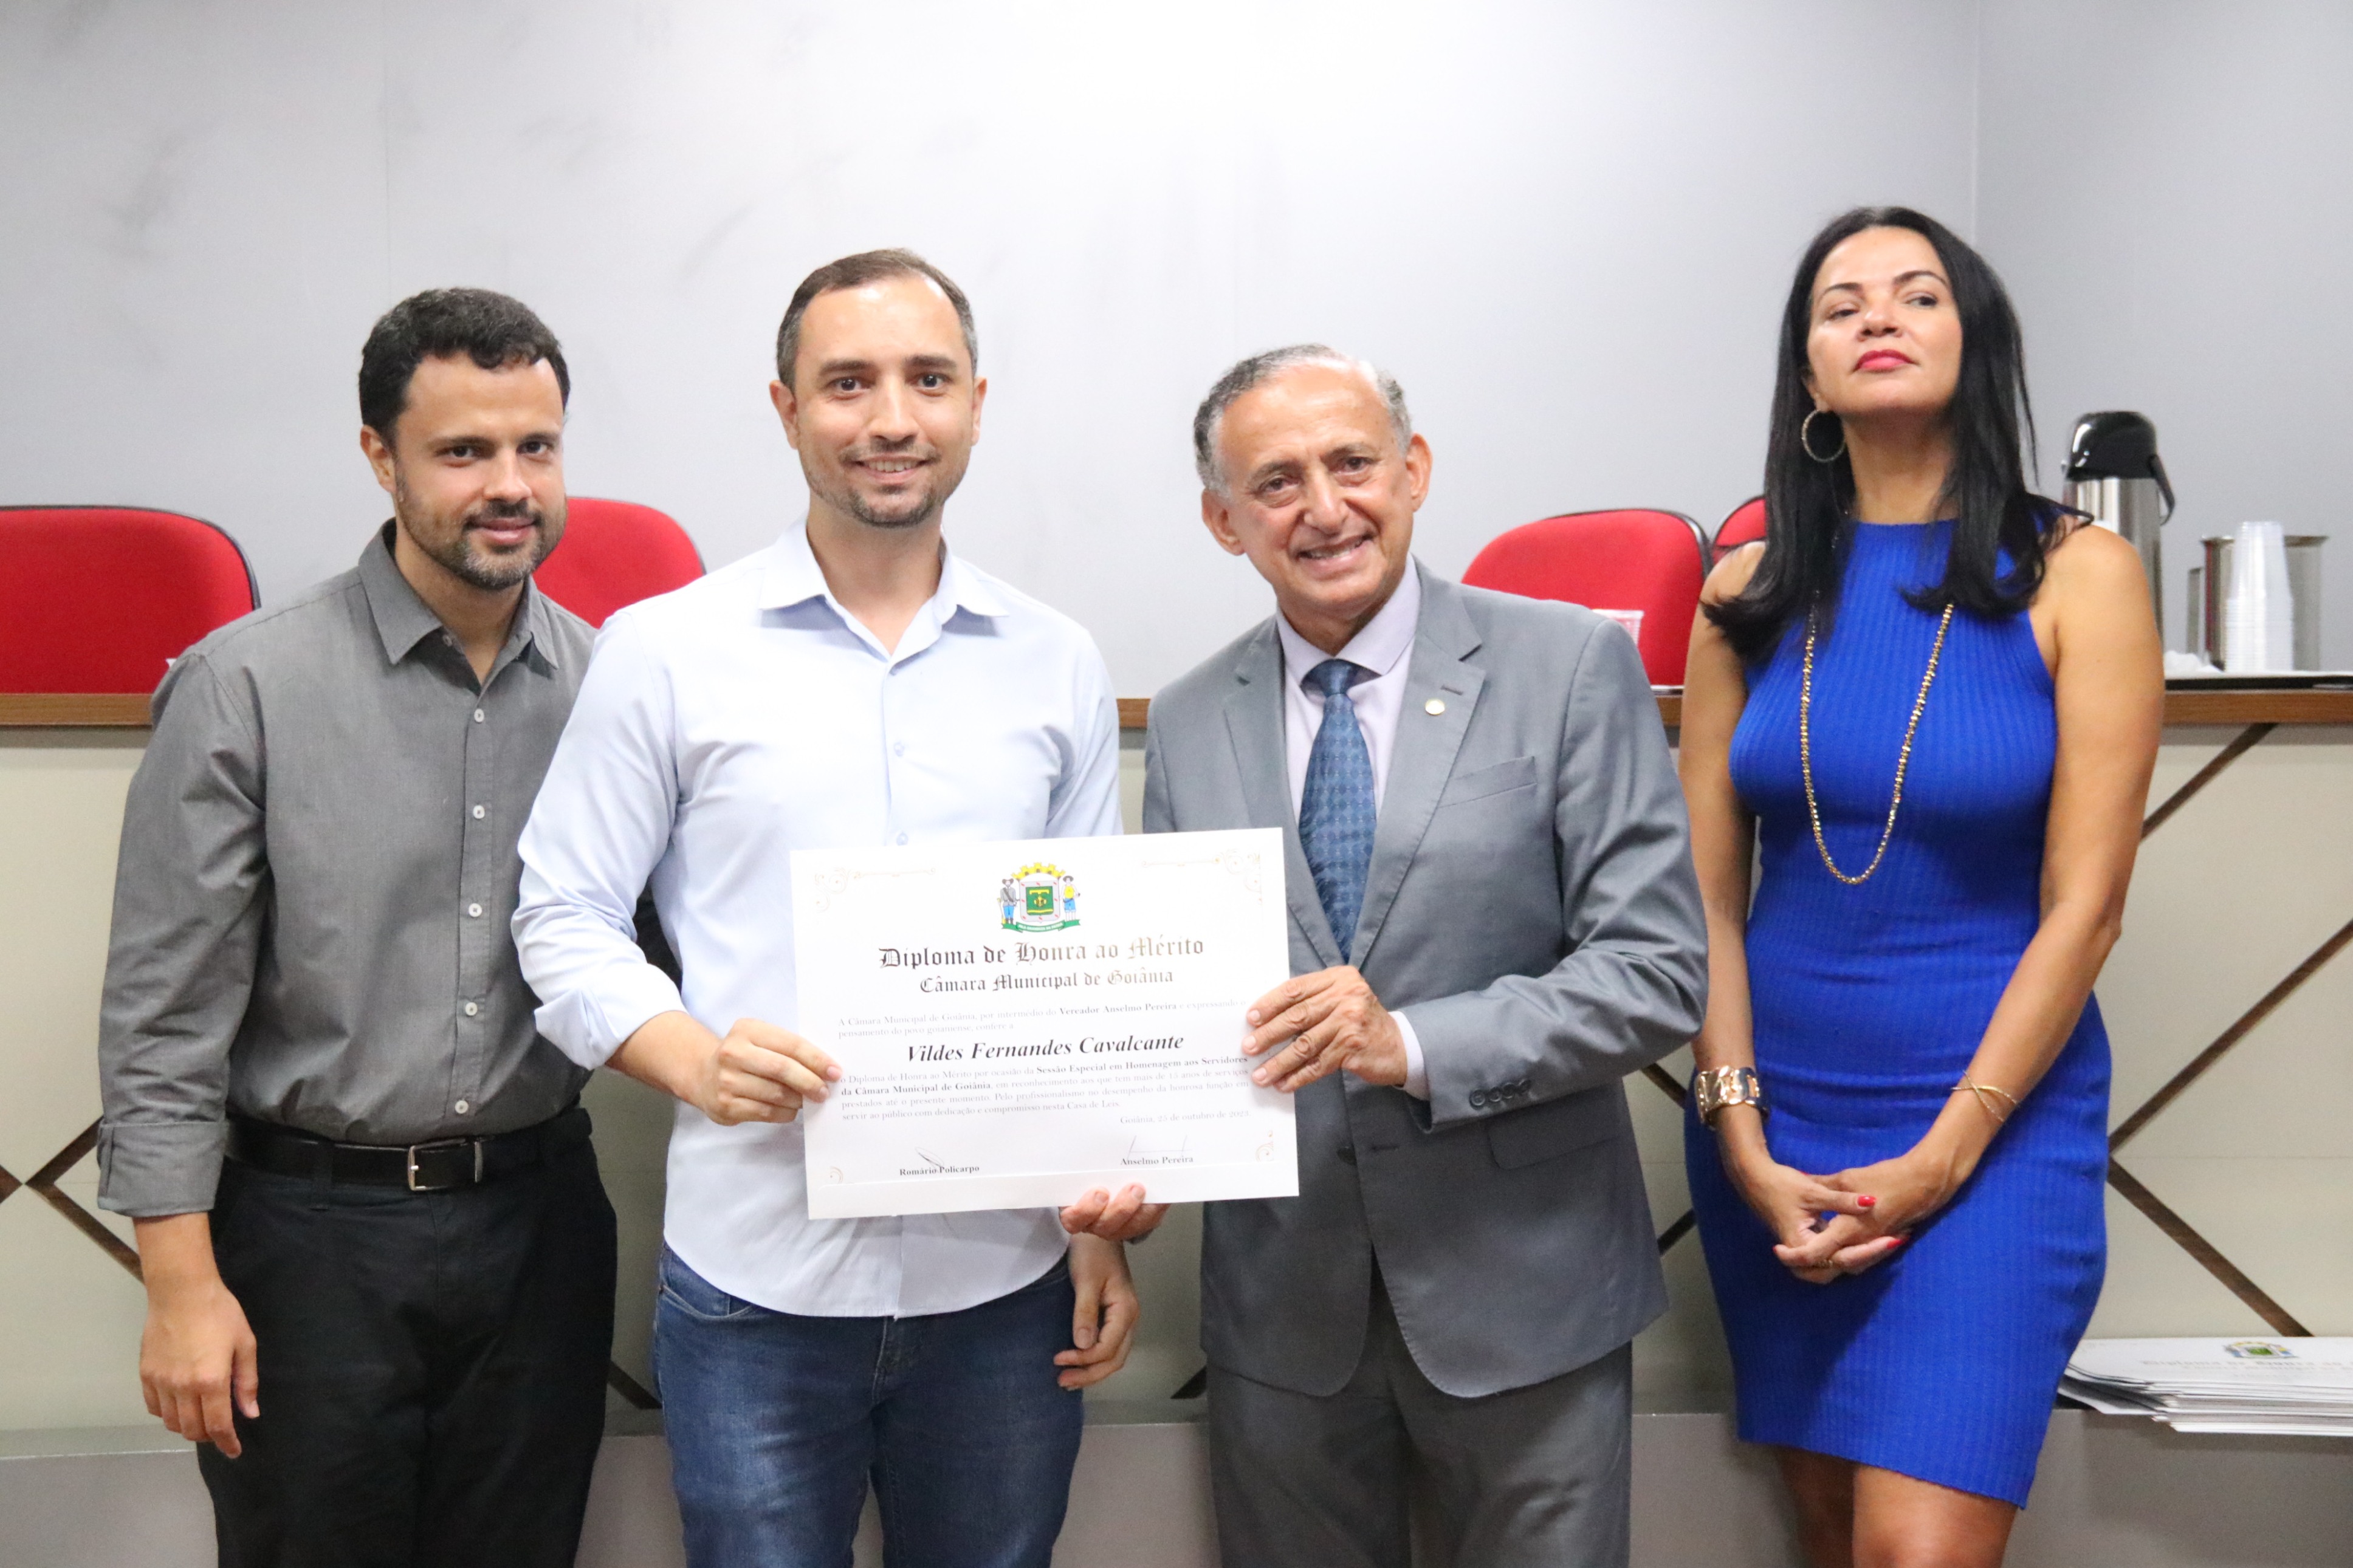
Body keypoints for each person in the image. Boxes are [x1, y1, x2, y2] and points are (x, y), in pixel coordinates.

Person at [513, 249, 1153, 1568]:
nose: (891, 419)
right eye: (848, 383)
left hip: (1003, 1288)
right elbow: (562, 914)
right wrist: (691, 1057)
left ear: (976, 403)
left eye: (928, 380)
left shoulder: (1057, 660)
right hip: (758, 1282)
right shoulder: (667, 648)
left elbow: (1086, 970)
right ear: (787, 407)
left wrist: (1095, 1225)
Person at [1144, 344, 1709, 1567]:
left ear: (1415, 470)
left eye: (1353, 463)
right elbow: (1175, 998)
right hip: (1283, 1311)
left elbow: (1656, 968)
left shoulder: (1568, 664)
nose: (1325, 507)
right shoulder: (1186, 719)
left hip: (1526, 1292)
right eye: (1276, 481)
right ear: (1223, 520)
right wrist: (1125, 1154)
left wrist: (1406, 1042)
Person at [97, 289, 615, 1567]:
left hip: (540, 1227)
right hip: (309, 1243)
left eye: (536, 448)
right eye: (463, 451)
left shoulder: (619, 687)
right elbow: (164, 1020)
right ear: (381, 457)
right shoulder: (245, 685)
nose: (510, 486)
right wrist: (179, 1286)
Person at [1678, 207, 2163, 1568]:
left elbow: (2087, 907)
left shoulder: (2081, 574)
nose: (1878, 319)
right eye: (1841, 306)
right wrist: (1740, 1136)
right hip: (1776, 1133)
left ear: (1976, 338)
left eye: (1916, 295)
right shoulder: (1742, 592)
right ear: (1809, 372)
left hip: (1992, 1130)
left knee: (1917, 1551)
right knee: (1831, 1538)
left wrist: (1945, 1154)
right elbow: (1704, 903)